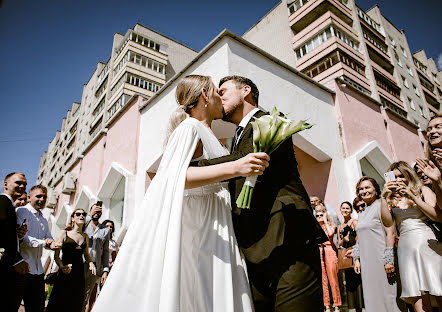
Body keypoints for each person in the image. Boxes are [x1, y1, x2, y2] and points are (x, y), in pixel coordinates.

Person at [92, 75, 270, 312]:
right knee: (198, 290)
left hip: (217, 222)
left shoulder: (212, 137)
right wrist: (236, 167)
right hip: (200, 226)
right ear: (205, 95)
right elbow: (176, 177)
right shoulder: (189, 128)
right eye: (217, 91)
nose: (221, 97)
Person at [195, 75, 327, 312]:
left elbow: (243, 160)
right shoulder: (235, 138)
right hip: (254, 250)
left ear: (246, 90)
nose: (218, 96)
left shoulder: (270, 120)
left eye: (223, 91)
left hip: (287, 240)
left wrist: (190, 171)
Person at [380, 161, 442, 312]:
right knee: (416, 296)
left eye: (402, 176)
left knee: (438, 289)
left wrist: (414, 198)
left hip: (427, 243)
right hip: (406, 248)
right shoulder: (390, 198)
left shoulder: (422, 190)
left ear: (409, 175)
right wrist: (383, 197)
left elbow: (437, 216)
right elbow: (388, 225)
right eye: (395, 177)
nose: (399, 179)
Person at [352, 176, 402, 312]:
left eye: (367, 187)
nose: (364, 191)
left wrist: (388, 260)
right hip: (367, 264)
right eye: (361, 189)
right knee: (372, 298)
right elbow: (360, 237)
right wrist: (356, 258)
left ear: (376, 190)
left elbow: (390, 232)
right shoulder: (361, 213)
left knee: (388, 298)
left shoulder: (381, 206)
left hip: (382, 261)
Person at [15, 185, 60, 312]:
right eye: (38, 196)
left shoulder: (44, 219)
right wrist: (45, 243)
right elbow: (24, 238)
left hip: (38, 271)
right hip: (22, 269)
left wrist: (52, 243)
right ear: (29, 197)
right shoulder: (22, 211)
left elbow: (48, 237)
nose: (42, 199)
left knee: (37, 308)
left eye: (44, 197)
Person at [46, 209, 96, 312]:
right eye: (78, 214)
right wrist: (61, 266)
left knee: (75, 302)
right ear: (73, 218)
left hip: (79, 274)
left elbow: (86, 254)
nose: (81, 216)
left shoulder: (85, 236)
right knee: (60, 302)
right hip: (65, 272)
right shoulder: (64, 233)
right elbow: (56, 255)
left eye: (83, 214)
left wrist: (91, 263)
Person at [0, 172, 30, 310]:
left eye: (24, 184)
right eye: (18, 182)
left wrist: (18, 236)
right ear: (5, 184)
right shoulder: (3, 201)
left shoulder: (11, 206)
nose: (22, 186)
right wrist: (16, 259)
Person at [82, 204, 110, 312]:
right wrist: (89, 215)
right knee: (76, 293)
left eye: (99, 212)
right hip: (82, 263)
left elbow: (106, 251)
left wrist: (105, 270)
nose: (97, 213)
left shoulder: (105, 230)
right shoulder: (84, 223)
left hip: (95, 267)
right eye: (95, 211)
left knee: (86, 296)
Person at [315, 204, 341, 312]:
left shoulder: (330, 224)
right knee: (323, 280)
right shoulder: (315, 227)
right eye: (317, 215)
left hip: (329, 250)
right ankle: (326, 305)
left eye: (321, 214)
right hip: (319, 251)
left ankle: (337, 304)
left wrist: (325, 220)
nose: (319, 216)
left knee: (333, 279)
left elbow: (330, 234)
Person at [337, 201, 363, 312]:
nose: (345, 210)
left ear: (351, 210)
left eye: (347, 208)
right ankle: (355, 308)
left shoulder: (354, 222)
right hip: (347, 257)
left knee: (359, 283)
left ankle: (362, 308)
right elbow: (339, 243)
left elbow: (361, 238)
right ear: (340, 210)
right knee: (351, 284)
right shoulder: (340, 227)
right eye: (343, 208)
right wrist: (344, 239)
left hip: (356, 253)